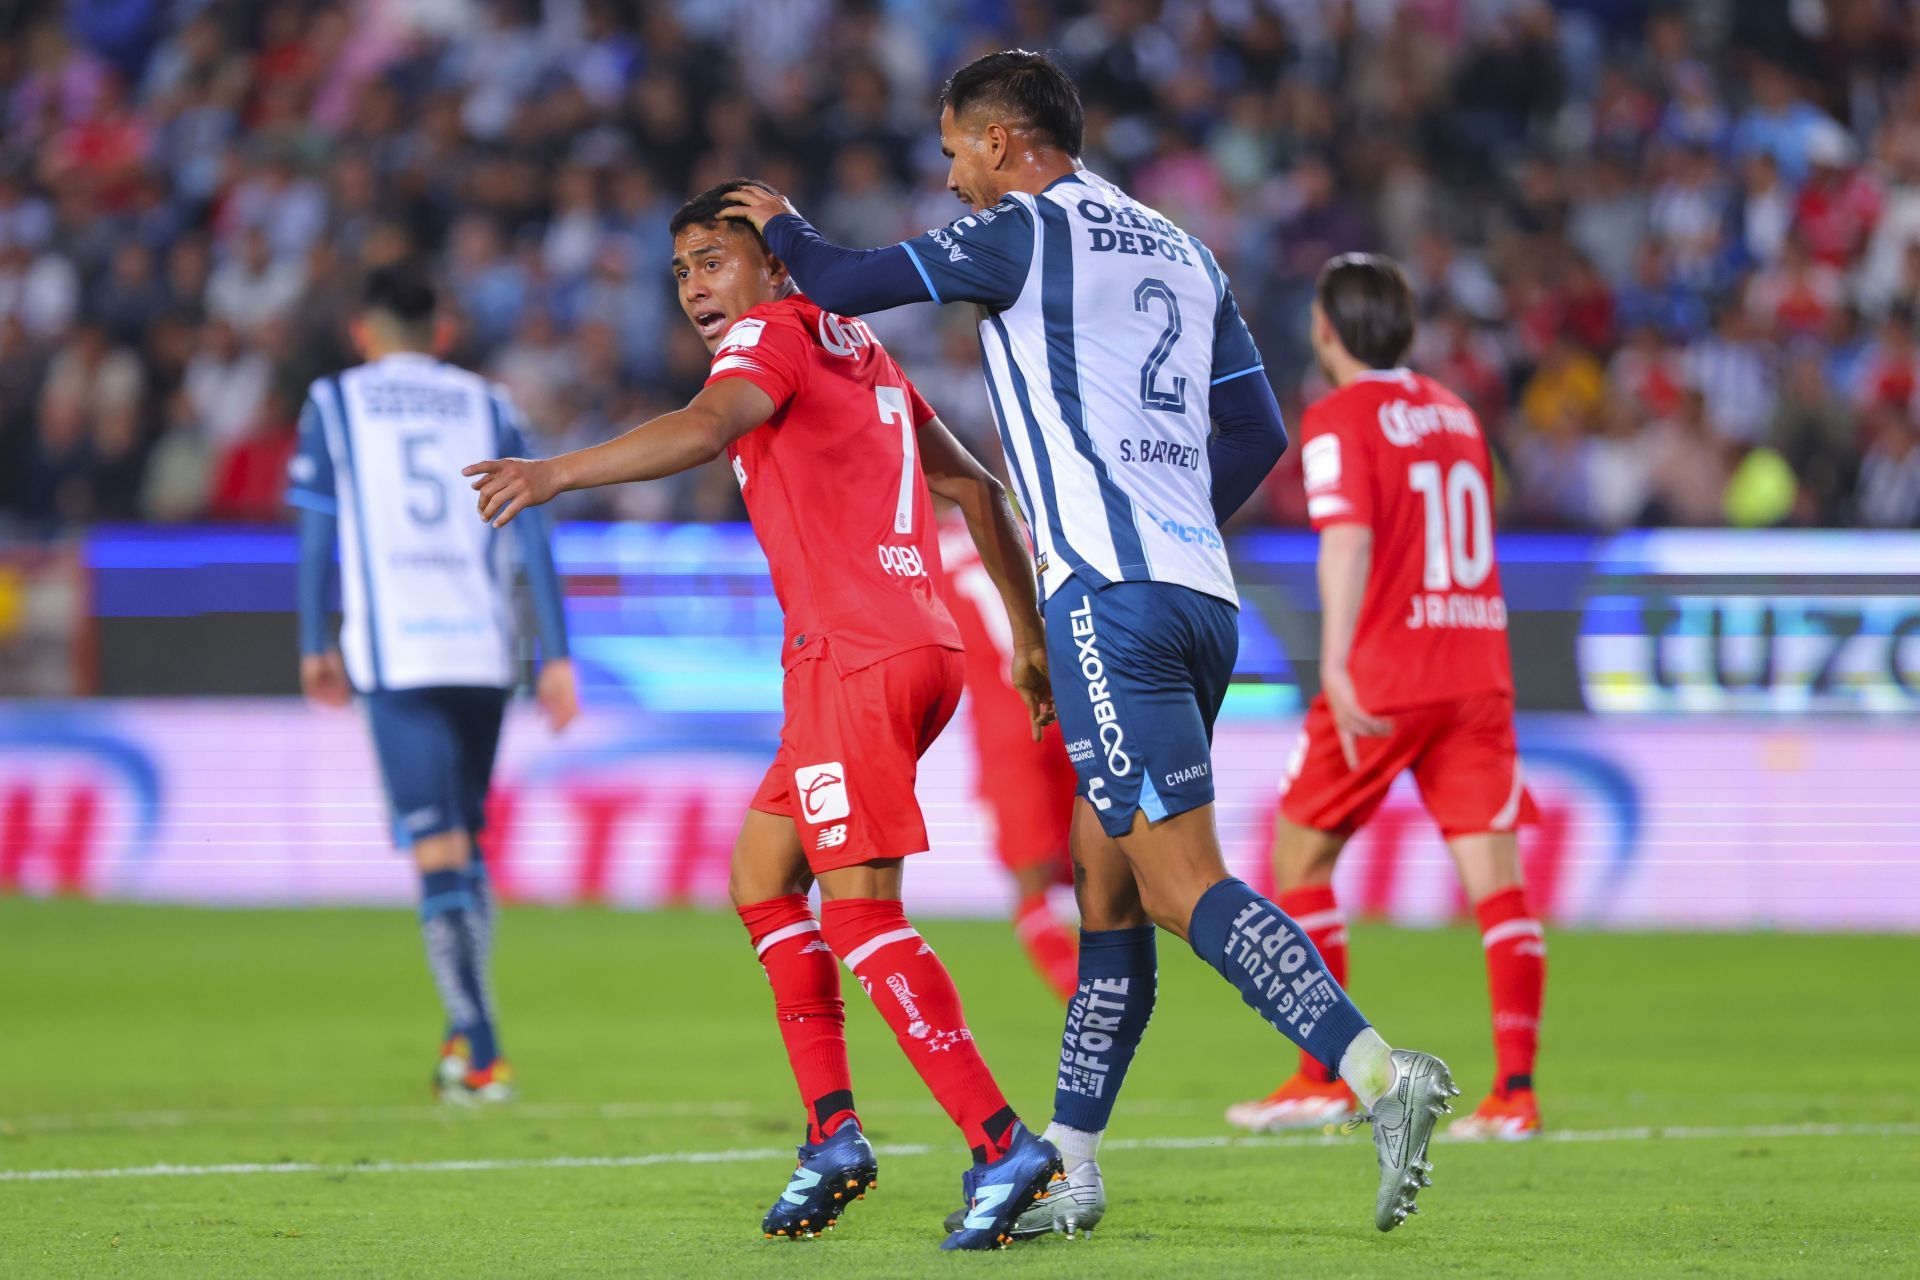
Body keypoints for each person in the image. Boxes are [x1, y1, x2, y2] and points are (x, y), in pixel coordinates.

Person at [721, 50, 1456, 1238]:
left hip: (1110, 597)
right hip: (1197, 596)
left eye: (957, 148)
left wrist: (781, 226)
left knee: (1174, 883)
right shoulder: (1183, 245)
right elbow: (1258, 426)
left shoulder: (1023, 229)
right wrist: (1164, 519)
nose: (955, 175)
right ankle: (1072, 1165)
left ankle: (1377, 1071)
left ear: (1006, 142)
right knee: (1102, 885)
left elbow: (849, 281)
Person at [462, 181, 1066, 1251]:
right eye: (683, 267)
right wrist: (1024, 636)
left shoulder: (773, 337)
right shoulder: (862, 350)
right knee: (760, 877)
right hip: (916, 646)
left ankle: (999, 1140)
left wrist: (557, 470)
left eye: (715, 259)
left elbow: (708, 425)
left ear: (776, 265)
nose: (697, 284)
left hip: (854, 655)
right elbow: (980, 493)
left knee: (863, 914)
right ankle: (833, 1132)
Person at [1226, 254, 1546, 1141]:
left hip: (1386, 671)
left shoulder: (1337, 418)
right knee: (1498, 887)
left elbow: (1350, 540)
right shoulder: (1457, 412)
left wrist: (1334, 659)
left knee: (1301, 860)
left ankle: (1322, 1075)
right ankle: (1514, 1094)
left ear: (1327, 330)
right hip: (1476, 667)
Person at [288, 263, 578, 1104]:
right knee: (465, 844)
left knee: (438, 848)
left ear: (363, 332)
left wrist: (313, 640)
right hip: (483, 655)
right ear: (441, 333)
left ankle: (483, 1053)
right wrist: (554, 654)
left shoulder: (335, 400)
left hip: (399, 653)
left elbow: (316, 534)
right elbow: (533, 539)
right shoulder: (489, 402)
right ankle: (463, 1038)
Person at [936, 507, 1081, 1002]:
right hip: (1075, 704)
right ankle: (1116, 981)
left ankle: (1083, 998)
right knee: (1098, 867)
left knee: (1031, 884)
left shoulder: (916, 555)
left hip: (1006, 724)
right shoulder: (1017, 523)